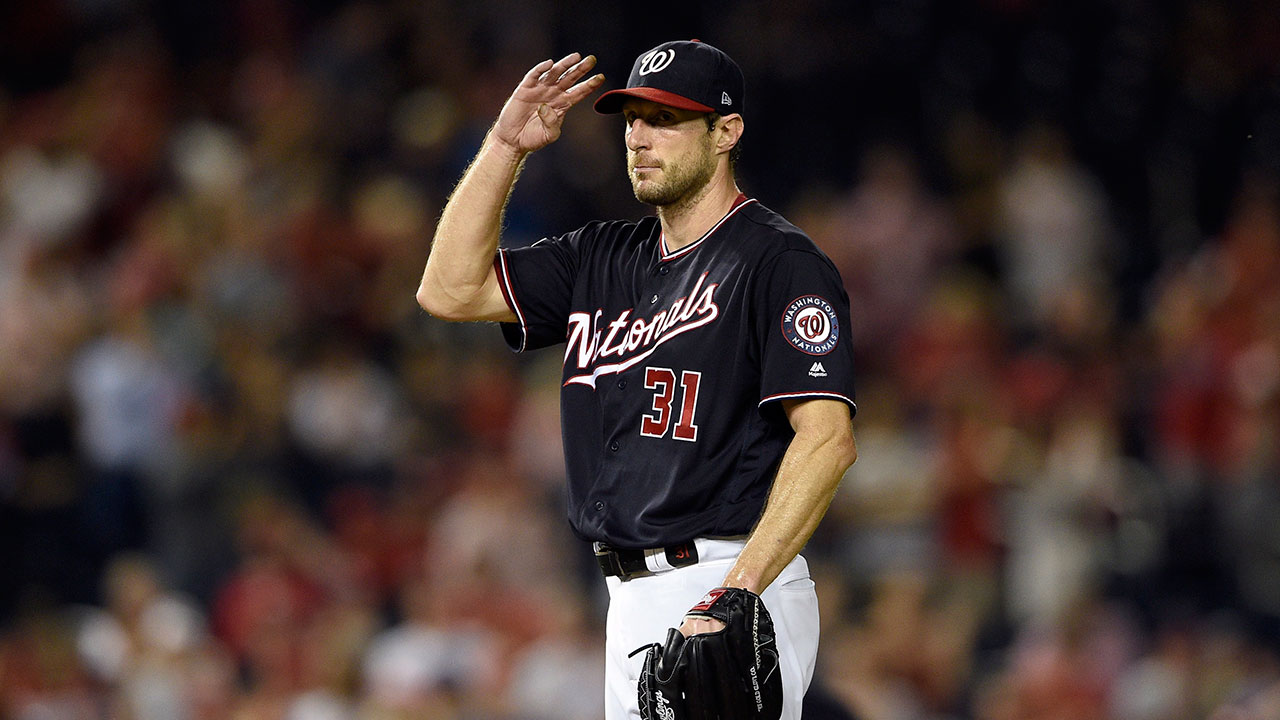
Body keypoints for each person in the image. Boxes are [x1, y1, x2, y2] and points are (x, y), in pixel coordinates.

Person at [417, 40, 858, 720]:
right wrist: (506, 146)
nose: (640, 138)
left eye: (666, 119)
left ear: (726, 132)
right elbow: (447, 289)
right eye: (632, 119)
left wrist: (738, 591)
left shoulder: (780, 263)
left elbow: (827, 440)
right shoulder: (598, 257)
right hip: (624, 597)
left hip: (728, 575)